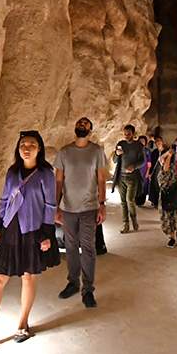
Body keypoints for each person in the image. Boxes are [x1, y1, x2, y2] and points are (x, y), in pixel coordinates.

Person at [0, 131, 58, 345]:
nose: (26, 148)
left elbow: (50, 204)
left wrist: (47, 233)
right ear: (18, 149)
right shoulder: (12, 172)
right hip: (11, 229)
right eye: (23, 144)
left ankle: (22, 324)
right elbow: (3, 202)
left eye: (31, 144)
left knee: (28, 277)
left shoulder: (46, 173)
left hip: (33, 230)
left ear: (39, 149)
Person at [54, 117, 108, 308]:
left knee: (88, 248)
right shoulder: (64, 152)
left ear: (91, 129)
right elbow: (59, 181)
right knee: (70, 247)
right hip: (68, 208)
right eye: (79, 123)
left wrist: (102, 204)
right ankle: (73, 282)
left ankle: (88, 289)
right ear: (75, 128)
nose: (82, 125)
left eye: (85, 123)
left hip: (89, 207)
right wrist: (55, 206)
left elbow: (101, 179)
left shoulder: (96, 151)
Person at [112, 124, 146, 233]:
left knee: (130, 200)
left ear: (133, 134)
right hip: (121, 177)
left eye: (129, 134)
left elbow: (142, 161)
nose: (126, 136)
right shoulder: (121, 144)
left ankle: (134, 219)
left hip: (133, 177)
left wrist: (134, 166)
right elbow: (114, 160)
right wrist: (117, 154)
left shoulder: (138, 146)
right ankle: (125, 224)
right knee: (123, 202)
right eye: (125, 134)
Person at [147, 136, 168, 207]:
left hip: (163, 171)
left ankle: (162, 202)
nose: (158, 143)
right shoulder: (154, 152)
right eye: (156, 142)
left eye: (159, 141)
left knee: (162, 187)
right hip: (155, 172)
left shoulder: (165, 152)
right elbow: (151, 163)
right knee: (155, 186)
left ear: (162, 142)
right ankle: (155, 202)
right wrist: (150, 173)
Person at [135, 135, 151, 206]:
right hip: (136, 171)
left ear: (145, 142)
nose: (142, 142)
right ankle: (136, 200)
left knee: (144, 186)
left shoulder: (147, 151)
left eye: (143, 141)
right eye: (140, 141)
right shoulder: (135, 150)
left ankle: (141, 201)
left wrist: (148, 172)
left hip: (144, 171)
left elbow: (149, 163)